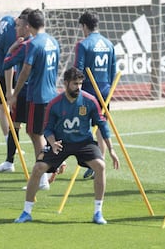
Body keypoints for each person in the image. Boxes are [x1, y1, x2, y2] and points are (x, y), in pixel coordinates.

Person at [14, 67, 120, 224]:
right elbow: (47, 128)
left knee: (100, 166)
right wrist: (52, 143)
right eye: (75, 84)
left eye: (80, 84)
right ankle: (26, 212)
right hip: (60, 143)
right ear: (65, 83)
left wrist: (111, 150)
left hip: (84, 142)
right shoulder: (54, 104)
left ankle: (98, 213)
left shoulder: (90, 101)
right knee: (37, 169)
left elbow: (102, 125)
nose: (78, 87)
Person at [10, 9, 60, 189]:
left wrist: (15, 94)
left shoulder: (33, 43)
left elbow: (25, 70)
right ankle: (52, 165)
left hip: (37, 95)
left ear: (29, 25)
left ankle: (43, 177)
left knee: (35, 134)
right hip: (51, 94)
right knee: (39, 133)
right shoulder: (53, 41)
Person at [74, 10, 116, 180]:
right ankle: (100, 160)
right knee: (100, 126)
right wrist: (109, 89)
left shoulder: (83, 44)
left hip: (87, 93)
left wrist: (75, 91)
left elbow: (78, 70)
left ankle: (92, 160)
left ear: (85, 26)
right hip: (105, 91)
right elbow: (112, 71)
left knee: (82, 127)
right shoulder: (109, 44)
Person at [0, 9, 32, 172]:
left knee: (36, 131)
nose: (16, 28)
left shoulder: (26, 44)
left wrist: (11, 92)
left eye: (19, 26)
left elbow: (10, 64)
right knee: (13, 120)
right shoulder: (25, 41)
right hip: (19, 86)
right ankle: (10, 158)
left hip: (26, 90)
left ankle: (52, 162)